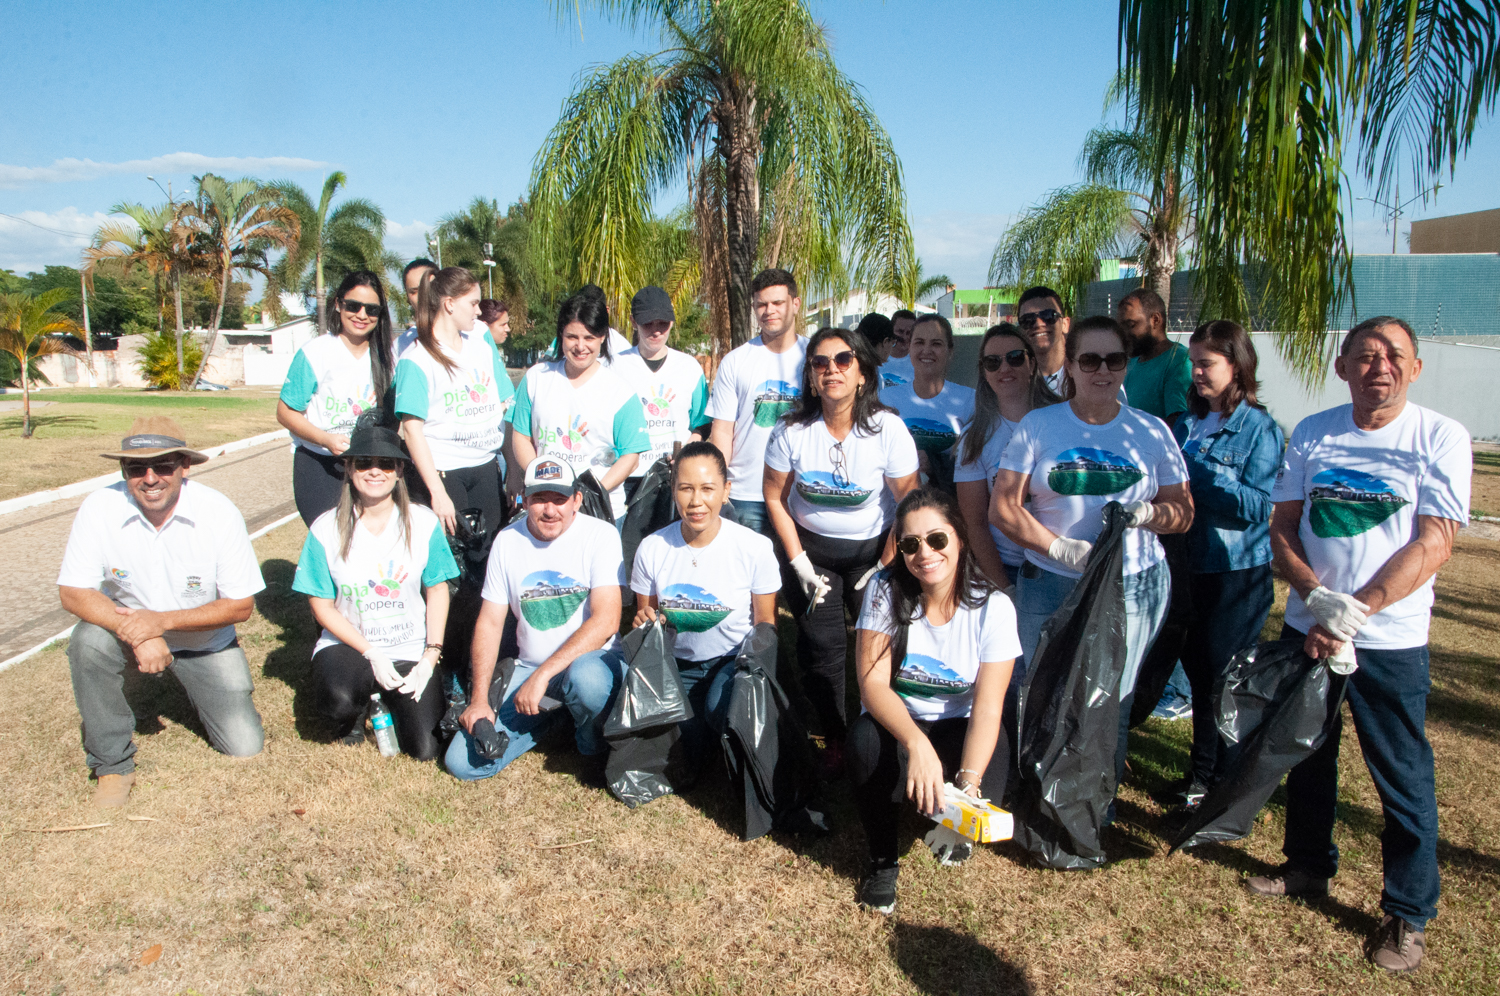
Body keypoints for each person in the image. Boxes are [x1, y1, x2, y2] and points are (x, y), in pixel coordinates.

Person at [1251, 316, 1470, 974]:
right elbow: (1284, 524)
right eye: (1365, 356)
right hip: (1309, 627)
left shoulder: (1439, 437)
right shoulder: (1315, 434)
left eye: (1395, 356)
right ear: (1342, 366)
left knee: (1401, 776)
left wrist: (1360, 609)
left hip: (1389, 641)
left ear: (1415, 368)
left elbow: (1435, 540)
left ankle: (1408, 913)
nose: (1380, 367)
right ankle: (1307, 865)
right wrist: (1316, 596)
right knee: (1307, 757)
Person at [990, 315, 1192, 797]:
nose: (1102, 370)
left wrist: (1149, 514)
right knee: (1039, 687)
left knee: (1112, 698)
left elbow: (1183, 512)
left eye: (1114, 359)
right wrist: (1057, 547)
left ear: (1126, 365)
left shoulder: (1152, 430)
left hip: (1134, 581)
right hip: (1051, 580)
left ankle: (1096, 801)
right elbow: (1002, 506)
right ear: (1071, 367)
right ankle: (1034, 792)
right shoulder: (1040, 426)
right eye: (1089, 359)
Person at [57, 417, 266, 807]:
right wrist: (144, 632)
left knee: (244, 746)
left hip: (204, 642)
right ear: (124, 471)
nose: (150, 478)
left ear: (184, 467)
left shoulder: (218, 512)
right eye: (136, 468)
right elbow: (72, 591)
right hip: (130, 630)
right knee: (88, 641)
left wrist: (162, 622)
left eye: (163, 465)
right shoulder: (100, 507)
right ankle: (112, 765)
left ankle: (192, 683)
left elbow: (241, 606)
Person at [848, 487, 1020, 914]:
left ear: (960, 538)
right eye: (910, 544)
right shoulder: (884, 591)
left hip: (959, 723)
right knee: (866, 745)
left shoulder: (994, 606)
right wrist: (916, 745)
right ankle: (884, 862)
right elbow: (873, 687)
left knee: (991, 778)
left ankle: (945, 807)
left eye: (937, 539)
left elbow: (987, 707)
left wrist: (968, 786)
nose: (924, 553)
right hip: (900, 720)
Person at [764, 327, 920, 772]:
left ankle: (883, 732)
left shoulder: (887, 428)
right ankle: (834, 734)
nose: (831, 369)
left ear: (863, 373)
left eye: (843, 360)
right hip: (811, 554)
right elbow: (774, 495)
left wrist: (886, 567)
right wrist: (797, 562)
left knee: (881, 644)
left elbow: (909, 502)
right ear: (810, 376)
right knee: (821, 647)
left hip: (874, 555)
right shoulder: (791, 429)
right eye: (819, 362)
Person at [446, 456, 628, 781]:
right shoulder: (507, 541)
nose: (550, 510)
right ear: (524, 499)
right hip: (529, 669)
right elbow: (489, 622)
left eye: (559, 499)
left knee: (585, 680)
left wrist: (543, 675)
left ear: (577, 500)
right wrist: (478, 701)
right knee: (463, 763)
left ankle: (590, 748)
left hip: (590, 664)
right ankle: (557, 718)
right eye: (540, 498)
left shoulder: (600, 535)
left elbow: (607, 621)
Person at [291, 423, 459, 761]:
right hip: (352, 646)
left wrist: (430, 655)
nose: (374, 471)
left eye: (385, 464)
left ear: (399, 471)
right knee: (337, 700)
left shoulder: (424, 522)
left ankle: (384, 699)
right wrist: (371, 652)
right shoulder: (325, 529)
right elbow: (321, 606)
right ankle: (355, 711)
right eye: (364, 462)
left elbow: (438, 588)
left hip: (410, 647)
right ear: (349, 469)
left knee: (424, 749)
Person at [1168, 320, 1283, 806]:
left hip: (1236, 574)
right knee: (1198, 674)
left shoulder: (1262, 429)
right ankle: (1201, 775)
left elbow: (1260, 505)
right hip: (1189, 568)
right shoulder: (1186, 424)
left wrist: (1200, 474)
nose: (1196, 372)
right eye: (1193, 362)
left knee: (1224, 680)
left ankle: (1224, 784)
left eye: (1206, 363)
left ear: (1237, 365)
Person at [629, 441, 780, 771]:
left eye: (708, 489)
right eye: (685, 489)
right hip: (674, 668)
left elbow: (766, 623)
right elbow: (645, 618)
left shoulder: (754, 547)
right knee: (680, 754)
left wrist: (749, 677)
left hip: (730, 662)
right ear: (673, 490)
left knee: (721, 708)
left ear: (726, 491)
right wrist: (644, 620)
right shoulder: (652, 548)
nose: (696, 501)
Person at [392, 266, 515, 538]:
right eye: (472, 303)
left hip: (485, 466)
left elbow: (504, 405)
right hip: (445, 472)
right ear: (449, 304)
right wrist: (437, 493)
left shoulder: (481, 345)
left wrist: (512, 468)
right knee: (456, 556)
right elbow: (412, 431)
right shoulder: (416, 359)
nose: (478, 311)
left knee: (487, 552)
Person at [509, 290, 651, 522]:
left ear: (603, 337)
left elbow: (631, 456)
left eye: (589, 338)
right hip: (547, 508)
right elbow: (521, 437)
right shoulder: (536, 378)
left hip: (600, 512)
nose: (580, 346)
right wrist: (542, 482)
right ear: (561, 336)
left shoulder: (620, 391)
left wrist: (589, 494)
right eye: (572, 337)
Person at [277, 270, 398, 526]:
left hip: (369, 466)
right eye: (353, 306)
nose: (362, 315)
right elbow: (285, 412)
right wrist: (325, 439)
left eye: (372, 309)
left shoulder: (390, 357)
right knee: (332, 541)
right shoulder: (316, 352)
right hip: (319, 464)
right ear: (338, 304)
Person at [954, 323, 1062, 588]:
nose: (1004, 369)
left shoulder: (1064, 418)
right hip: (1008, 568)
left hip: (1066, 565)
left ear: (1032, 363)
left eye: (1014, 358)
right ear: (984, 372)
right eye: (993, 362)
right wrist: (1004, 587)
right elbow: (975, 523)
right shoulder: (974, 438)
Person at [706, 268, 808, 539]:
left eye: (777, 303)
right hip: (746, 495)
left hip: (803, 495)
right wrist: (718, 485)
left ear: (795, 304)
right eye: (762, 304)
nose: (769, 311)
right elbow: (722, 430)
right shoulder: (736, 361)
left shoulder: (816, 358)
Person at [612, 286, 710, 505]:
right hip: (627, 478)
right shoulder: (613, 366)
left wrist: (689, 446)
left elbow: (702, 423)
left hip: (674, 476)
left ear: (672, 322)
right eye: (648, 324)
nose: (656, 331)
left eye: (662, 324)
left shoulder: (689, 367)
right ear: (633, 322)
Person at [878, 313, 975, 489]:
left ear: (950, 351)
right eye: (919, 342)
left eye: (936, 344)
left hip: (948, 506)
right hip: (896, 508)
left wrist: (934, 463)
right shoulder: (887, 399)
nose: (927, 350)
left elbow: (978, 465)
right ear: (910, 347)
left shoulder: (969, 400)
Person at [1118, 288, 1192, 427]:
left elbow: (1178, 423)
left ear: (1155, 320)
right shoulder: (1131, 364)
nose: (1124, 334)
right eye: (1121, 328)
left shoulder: (1178, 360)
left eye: (1131, 325)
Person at [1016, 286, 1070, 395]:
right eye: (1028, 320)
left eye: (1048, 316)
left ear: (1065, 324)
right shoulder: (1013, 381)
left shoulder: (1085, 375)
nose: (1038, 324)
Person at [396, 257, 438, 356]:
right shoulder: (401, 346)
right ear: (407, 298)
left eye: (428, 287)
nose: (422, 295)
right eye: (414, 292)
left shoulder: (475, 333)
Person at [880, 309, 917, 388]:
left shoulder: (918, 363)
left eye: (908, 333)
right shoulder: (878, 360)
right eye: (900, 331)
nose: (904, 337)